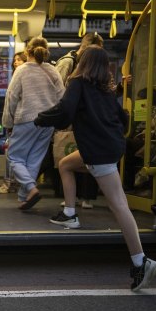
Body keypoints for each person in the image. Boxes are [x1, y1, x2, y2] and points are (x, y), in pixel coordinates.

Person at [34, 46, 156, 291]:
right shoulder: (106, 89)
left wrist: (41, 118)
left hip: (99, 151)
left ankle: (140, 261)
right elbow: (123, 118)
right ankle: (70, 214)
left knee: (119, 205)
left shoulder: (79, 82)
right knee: (66, 164)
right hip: (108, 146)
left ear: (83, 63)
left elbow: (64, 111)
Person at [2, 37, 65, 210]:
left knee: (14, 157)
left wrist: (8, 122)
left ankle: (30, 188)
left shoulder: (22, 70)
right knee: (34, 160)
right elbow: (62, 97)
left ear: (27, 51)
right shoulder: (53, 71)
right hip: (48, 121)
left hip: (27, 119)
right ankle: (25, 197)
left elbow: (11, 98)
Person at [54, 32, 105, 209]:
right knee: (72, 160)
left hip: (81, 119)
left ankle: (75, 205)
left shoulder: (81, 75)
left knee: (69, 162)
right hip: (86, 123)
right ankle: (74, 199)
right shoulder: (73, 64)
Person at [0, 51, 26, 194]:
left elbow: (11, 100)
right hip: (22, 120)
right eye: (15, 60)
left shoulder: (19, 77)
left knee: (11, 154)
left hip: (18, 120)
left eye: (19, 59)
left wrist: (8, 122)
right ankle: (18, 184)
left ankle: (9, 183)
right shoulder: (20, 76)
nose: (16, 62)